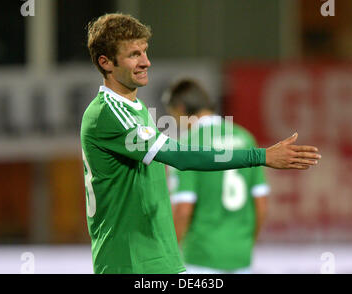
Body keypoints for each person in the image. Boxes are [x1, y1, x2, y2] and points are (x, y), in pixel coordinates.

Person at [81, 13, 321, 274]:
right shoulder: (108, 114)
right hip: (128, 263)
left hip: (161, 260)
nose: (145, 62)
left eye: (145, 51)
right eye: (134, 55)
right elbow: (181, 157)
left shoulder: (135, 108)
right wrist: (260, 156)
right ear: (106, 63)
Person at [163, 79, 270, 274]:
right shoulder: (246, 138)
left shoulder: (186, 145)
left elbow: (183, 210)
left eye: (173, 115)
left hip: (200, 258)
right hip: (242, 257)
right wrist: (245, 245)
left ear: (180, 108)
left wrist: (167, 256)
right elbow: (261, 205)